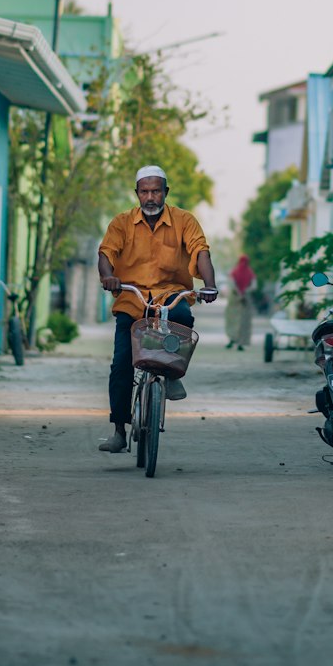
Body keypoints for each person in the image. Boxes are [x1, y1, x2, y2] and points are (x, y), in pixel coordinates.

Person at [96, 164, 218, 453]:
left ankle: (173, 374)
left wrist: (210, 284)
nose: (150, 197)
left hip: (170, 296)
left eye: (156, 191)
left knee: (183, 317)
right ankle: (118, 432)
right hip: (133, 298)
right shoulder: (121, 223)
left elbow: (201, 251)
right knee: (121, 363)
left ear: (166, 192)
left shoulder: (184, 221)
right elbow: (106, 253)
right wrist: (107, 276)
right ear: (137, 193)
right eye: (145, 191)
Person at [225, 254, 256, 350]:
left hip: (234, 299)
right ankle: (241, 343)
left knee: (232, 318)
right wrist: (245, 292)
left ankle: (232, 339)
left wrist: (239, 293)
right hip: (245, 300)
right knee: (243, 321)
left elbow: (232, 284)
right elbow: (254, 286)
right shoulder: (250, 273)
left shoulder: (234, 271)